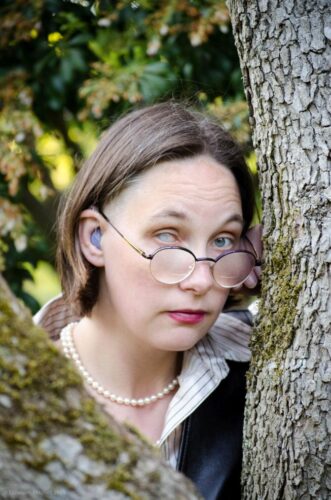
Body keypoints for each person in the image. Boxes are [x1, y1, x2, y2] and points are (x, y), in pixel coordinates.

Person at [34, 101, 262, 500]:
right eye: (166, 235)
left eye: (222, 240)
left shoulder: (266, 361)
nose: (202, 279)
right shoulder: (20, 391)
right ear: (95, 238)